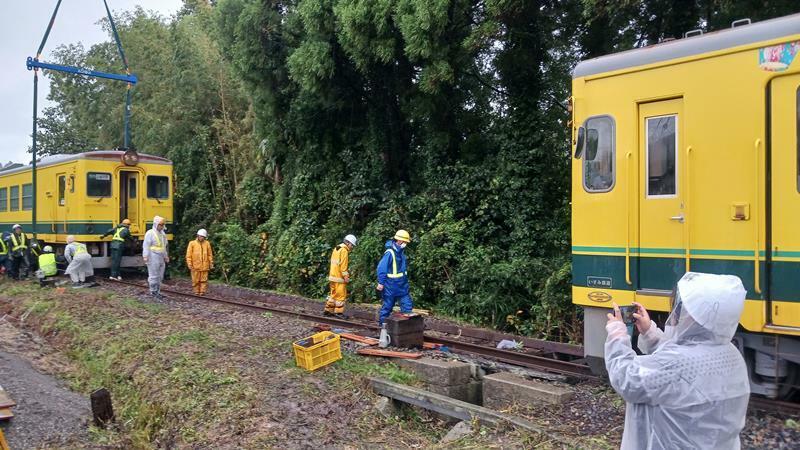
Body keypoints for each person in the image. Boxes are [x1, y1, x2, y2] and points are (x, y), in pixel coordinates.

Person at [604, 272, 750, 449]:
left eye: (684, 309)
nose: (678, 313)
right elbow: (683, 366)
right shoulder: (731, 354)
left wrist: (617, 334)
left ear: (698, 317)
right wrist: (650, 332)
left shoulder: (676, 364)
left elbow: (626, 378)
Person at [376, 230, 413, 326]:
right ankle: (382, 328)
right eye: (405, 242)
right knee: (387, 307)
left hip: (402, 286)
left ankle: (408, 328)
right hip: (391, 287)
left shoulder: (401, 252)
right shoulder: (390, 253)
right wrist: (381, 282)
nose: (406, 244)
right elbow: (381, 268)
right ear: (400, 241)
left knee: (407, 307)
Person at [324, 234, 357, 317]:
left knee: (333, 295)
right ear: (348, 243)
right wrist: (346, 277)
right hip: (339, 278)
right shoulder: (344, 251)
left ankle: (328, 310)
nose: (352, 247)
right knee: (341, 296)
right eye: (352, 245)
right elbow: (343, 266)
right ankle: (338, 312)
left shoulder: (336, 248)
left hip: (332, 276)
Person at [143, 216, 169, 299]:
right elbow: (146, 245)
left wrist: (166, 256)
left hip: (161, 256)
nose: (161, 226)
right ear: (156, 224)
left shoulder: (163, 234)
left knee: (160, 275)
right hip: (152, 256)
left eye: (162, 224)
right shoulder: (150, 233)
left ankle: (158, 291)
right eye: (160, 224)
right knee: (153, 275)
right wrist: (145, 256)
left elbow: (164, 246)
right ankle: (153, 291)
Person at [185, 229, 214, 295]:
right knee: (195, 280)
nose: (201, 238)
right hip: (195, 266)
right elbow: (188, 255)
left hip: (205, 266)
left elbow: (210, 254)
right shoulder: (192, 243)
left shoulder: (207, 243)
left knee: (204, 280)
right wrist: (189, 264)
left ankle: (202, 292)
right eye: (200, 236)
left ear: (205, 237)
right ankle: (196, 292)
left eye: (203, 236)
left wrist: (211, 263)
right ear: (197, 236)